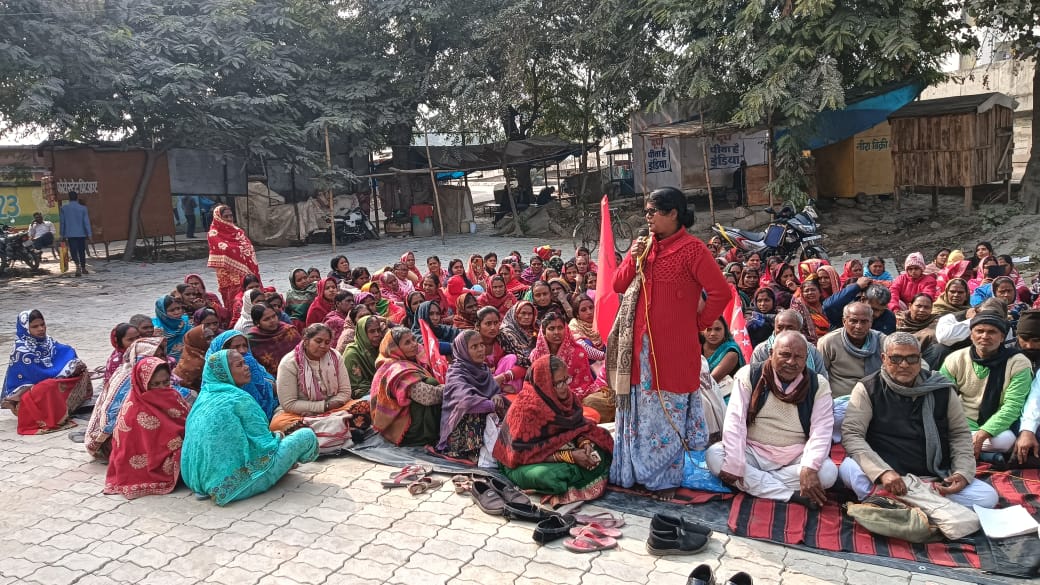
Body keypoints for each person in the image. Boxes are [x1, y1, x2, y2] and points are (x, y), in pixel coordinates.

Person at [609, 186, 730, 499]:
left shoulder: (692, 250)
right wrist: (632, 257)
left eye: (652, 211)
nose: (647, 218)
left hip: (672, 354)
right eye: (647, 212)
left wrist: (696, 325)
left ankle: (662, 482)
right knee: (635, 415)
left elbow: (720, 292)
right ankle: (631, 473)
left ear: (673, 213)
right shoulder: (646, 248)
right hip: (638, 353)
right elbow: (618, 285)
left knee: (665, 419)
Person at [840, 333, 998, 510]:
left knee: (987, 497)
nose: (904, 365)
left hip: (932, 475)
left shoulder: (940, 388)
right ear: (883, 358)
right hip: (888, 474)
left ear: (920, 358)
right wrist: (882, 472)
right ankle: (924, 504)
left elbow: (959, 434)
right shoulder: (868, 388)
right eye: (896, 358)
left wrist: (962, 472)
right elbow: (852, 435)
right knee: (849, 468)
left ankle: (893, 502)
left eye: (912, 358)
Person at [707, 331, 837, 507]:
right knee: (715, 456)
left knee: (828, 473)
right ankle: (790, 495)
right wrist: (736, 462)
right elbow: (734, 421)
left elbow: (821, 432)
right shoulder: (749, 374)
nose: (792, 362)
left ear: (806, 358)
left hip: (795, 456)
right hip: (752, 450)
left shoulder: (818, 384)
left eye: (799, 357)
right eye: (785, 354)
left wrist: (808, 467)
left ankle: (755, 484)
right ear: (771, 354)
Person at [181, 350, 319, 506]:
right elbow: (266, 446)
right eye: (239, 365)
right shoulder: (239, 399)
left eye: (244, 362)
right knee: (306, 436)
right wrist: (278, 437)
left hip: (196, 481)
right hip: (236, 486)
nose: (246, 367)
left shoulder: (203, 396)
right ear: (225, 373)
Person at [493, 356, 614, 506]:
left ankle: (574, 473)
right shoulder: (526, 408)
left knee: (601, 440)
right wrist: (570, 456)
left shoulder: (568, 399)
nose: (565, 387)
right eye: (559, 383)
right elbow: (521, 454)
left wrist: (585, 443)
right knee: (547, 476)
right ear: (545, 384)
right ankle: (574, 475)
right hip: (519, 462)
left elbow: (579, 427)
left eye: (566, 380)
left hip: (560, 449)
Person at [940, 310, 1032, 459]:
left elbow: (1013, 405)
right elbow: (941, 395)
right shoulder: (956, 358)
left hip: (997, 426)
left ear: (1002, 337)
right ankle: (988, 455)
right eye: (979, 331)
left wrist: (983, 433)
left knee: (1006, 441)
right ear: (971, 335)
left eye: (992, 332)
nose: (984, 336)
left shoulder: (1018, 362)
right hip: (961, 421)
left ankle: (961, 450)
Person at [103, 358, 191, 499]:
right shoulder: (134, 411)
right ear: (143, 384)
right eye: (155, 384)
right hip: (154, 463)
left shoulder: (174, 396)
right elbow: (146, 449)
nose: (162, 388)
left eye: (166, 382)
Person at [270, 324, 371, 436]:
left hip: (335, 407)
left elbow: (346, 391)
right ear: (306, 340)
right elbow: (289, 404)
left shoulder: (335, 357)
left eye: (327, 342)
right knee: (278, 425)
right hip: (300, 413)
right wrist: (323, 407)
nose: (323, 346)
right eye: (318, 341)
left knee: (366, 405)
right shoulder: (289, 363)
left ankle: (330, 432)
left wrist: (329, 406)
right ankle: (344, 429)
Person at [2, 310, 91, 435]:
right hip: (25, 400)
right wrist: (64, 371)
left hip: (44, 386)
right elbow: (40, 375)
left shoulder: (46, 341)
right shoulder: (21, 351)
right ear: (25, 328)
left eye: (42, 324)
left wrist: (73, 364)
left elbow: (64, 351)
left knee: (79, 370)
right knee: (50, 385)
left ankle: (62, 409)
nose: (41, 329)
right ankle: (53, 413)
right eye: (35, 326)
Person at [85, 338, 170, 458]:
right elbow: (110, 420)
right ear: (140, 357)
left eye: (161, 355)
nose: (159, 360)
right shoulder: (126, 380)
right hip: (115, 439)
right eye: (153, 356)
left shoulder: (159, 375)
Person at [530, 312, 614, 423]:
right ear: (544, 333)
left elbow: (583, 385)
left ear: (566, 329)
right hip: (545, 398)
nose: (556, 332)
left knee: (591, 403)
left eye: (560, 328)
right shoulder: (536, 356)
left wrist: (562, 396)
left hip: (573, 397)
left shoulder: (578, 353)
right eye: (551, 328)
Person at [437, 330, 507, 461]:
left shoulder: (483, 368)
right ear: (463, 350)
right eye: (474, 347)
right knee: (474, 410)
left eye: (481, 345)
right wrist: (492, 404)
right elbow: (465, 402)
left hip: (485, 418)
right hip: (460, 429)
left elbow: (494, 389)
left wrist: (496, 396)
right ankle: (471, 451)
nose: (481, 349)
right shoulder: (456, 373)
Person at [370, 327, 444, 446]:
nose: (414, 344)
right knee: (431, 383)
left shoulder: (411, 359)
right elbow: (428, 396)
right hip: (404, 430)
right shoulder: (396, 369)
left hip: (400, 418)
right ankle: (425, 435)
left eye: (413, 339)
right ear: (396, 349)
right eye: (407, 343)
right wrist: (452, 389)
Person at [817, 302, 885, 399]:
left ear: (871, 322)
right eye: (853, 321)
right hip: (840, 399)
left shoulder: (882, 341)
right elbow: (820, 376)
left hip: (875, 397)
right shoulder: (828, 342)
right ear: (844, 321)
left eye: (864, 321)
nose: (858, 326)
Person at [207, 204, 261, 308]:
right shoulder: (213, 234)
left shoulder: (238, 231)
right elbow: (225, 249)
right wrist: (240, 249)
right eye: (226, 216)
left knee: (252, 295)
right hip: (229, 275)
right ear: (218, 217)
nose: (229, 218)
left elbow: (248, 247)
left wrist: (239, 249)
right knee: (234, 300)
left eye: (231, 216)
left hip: (246, 272)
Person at [750, 310, 828, 378]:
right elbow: (756, 379)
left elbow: (821, 379)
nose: (784, 331)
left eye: (790, 328)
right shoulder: (761, 351)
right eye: (780, 327)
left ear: (799, 329)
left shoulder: (811, 350)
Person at [1013, 311, 1040, 465]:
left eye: (1036, 340)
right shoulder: (1007, 355)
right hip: (1011, 413)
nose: (1029, 346)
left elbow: (1037, 394)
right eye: (1024, 340)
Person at [246, 303, 303, 376]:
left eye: (274, 316)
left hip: (298, 373)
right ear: (257, 323)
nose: (272, 320)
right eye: (266, 319)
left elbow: (302, 354)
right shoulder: (252, 340)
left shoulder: (289, 331)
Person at [172, 309, 221, 391]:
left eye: (212, 337)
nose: (212, 341)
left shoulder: (212, 352)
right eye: (208, 338)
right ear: (198, 340)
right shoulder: (193, 363)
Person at [341, 315, 382, 398]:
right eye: (372, 331)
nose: (377, 334)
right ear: (362, 333)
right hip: (360, 394)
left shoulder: (381, 348)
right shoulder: (352, 354)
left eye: (378, 330)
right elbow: (356, 387)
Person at [701, 316, 745, 383]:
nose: (713, 334)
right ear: (702, 332)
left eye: (717, 329)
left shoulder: (731, 352)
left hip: (720, 391)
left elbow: (711, 380)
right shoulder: (696, 346)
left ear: (725, 330)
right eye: (708, 329)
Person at [58, 191, 92, 276]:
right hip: (81, 234)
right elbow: (86, 222)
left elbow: (62, 222)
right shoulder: (83, 208)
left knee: (73, 251)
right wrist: (89, 234)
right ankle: (83, 268)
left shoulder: (64, 208)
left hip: (70, 234)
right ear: (77, 198)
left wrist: (62, 234)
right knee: (81, 251)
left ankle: (77, 267)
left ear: (69, 198)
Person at [152, 295, 191, 361]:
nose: (177, 312)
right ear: (162, 312)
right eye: (172, 310)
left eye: (178, 308)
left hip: (187, 359)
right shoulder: (155, 326)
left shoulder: (187, 322)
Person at [500, 301, 537, 370]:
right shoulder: (506, 333)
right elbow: (520, 357)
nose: (526, 317)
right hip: (514, 368)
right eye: (523, 313)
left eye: (530, 314)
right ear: (515, 314)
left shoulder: (536, 329)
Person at [789, 277, 827, 343]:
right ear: (802, 294)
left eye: (813, 290)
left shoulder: (827, 306)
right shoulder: (801, 310)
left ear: (820, 292)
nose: (810, 293)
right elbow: (800, 331)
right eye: (806, 291)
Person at [568, 294, 605, 363]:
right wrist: (605, 357)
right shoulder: (574, 325)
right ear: (577, 315)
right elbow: (583, 348)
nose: (589, 312)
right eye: (583, 310)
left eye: (591, 308)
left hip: (606, 362)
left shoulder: (601, 319)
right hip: (588, 365)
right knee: (587, 343)